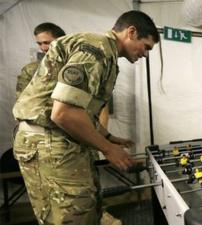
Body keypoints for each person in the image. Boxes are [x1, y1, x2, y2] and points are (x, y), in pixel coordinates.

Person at [12, 10, 160, 225]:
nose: (145, 54)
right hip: (50, 141)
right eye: (146, 46)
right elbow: (64, 113)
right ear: (131, 32)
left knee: (88, 208)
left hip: (58, 140)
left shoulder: (106, 54)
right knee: (74, 215)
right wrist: (108, 149)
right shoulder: (96, 48)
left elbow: (81, 111)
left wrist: (108, 137)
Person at [16, 22, 65, 99]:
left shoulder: (76, 65)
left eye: (46, 43)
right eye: (39, 43)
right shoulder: (31, 70)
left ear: (62, 41)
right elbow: (23, 100)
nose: (43, 48)